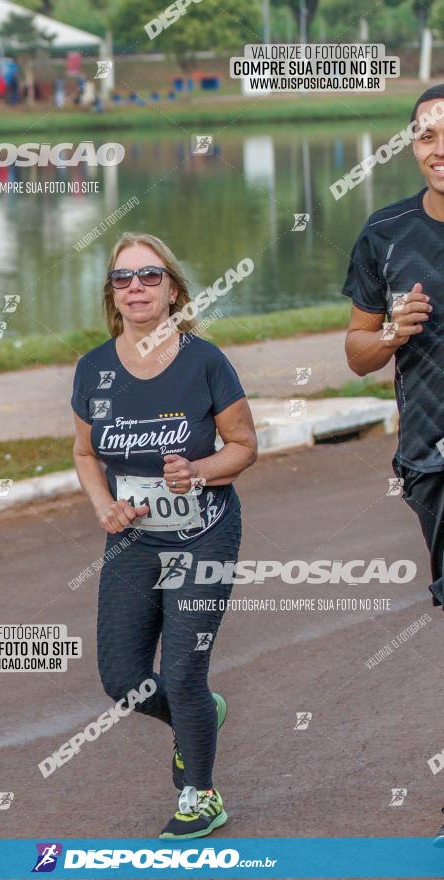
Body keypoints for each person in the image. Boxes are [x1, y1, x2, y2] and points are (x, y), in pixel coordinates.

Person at [71, 232, 257, 839]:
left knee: (182, 671)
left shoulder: (205, 361)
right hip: (134, 542)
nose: (137, 288)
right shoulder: (93, 369)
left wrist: (197, 471)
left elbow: (245, 446)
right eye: (123, 279)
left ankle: (199, 794)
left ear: (172, 288)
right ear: (112, 294)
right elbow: (84, 451)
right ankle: (197, 713)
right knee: (122, 680)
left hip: (204, 533)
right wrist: (104, 505)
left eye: (149, 277)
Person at [341, 85, 444, 843]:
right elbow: (355, 352)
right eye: (426, 135)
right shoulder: (385, 232)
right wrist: (392, 335)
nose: (438, 146)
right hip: (432, 459)